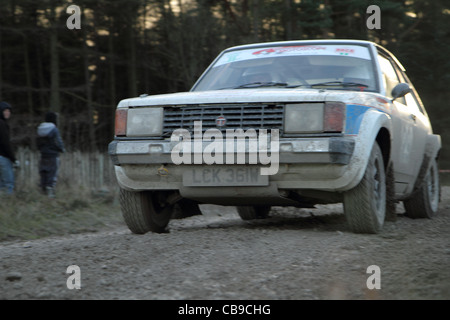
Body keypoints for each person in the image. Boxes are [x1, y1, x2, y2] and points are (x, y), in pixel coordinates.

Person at [37, 112, 65, 198]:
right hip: (53, 154)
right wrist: (62, 149)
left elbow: (38, 142)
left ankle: (43, 191)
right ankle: (50, 192)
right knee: (52, 173)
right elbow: (58, 141)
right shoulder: (54, 129)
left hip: (43, 155)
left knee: (44, 172)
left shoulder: (40, 129)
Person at [0, 101, 16, 195]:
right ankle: (8, 204)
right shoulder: (2, 124)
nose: (7, 113)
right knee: (8, 183)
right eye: (5, 111)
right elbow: (6, 143)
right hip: (3, 157)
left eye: (8, 111)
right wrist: (13, 158)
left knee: (1, 184)